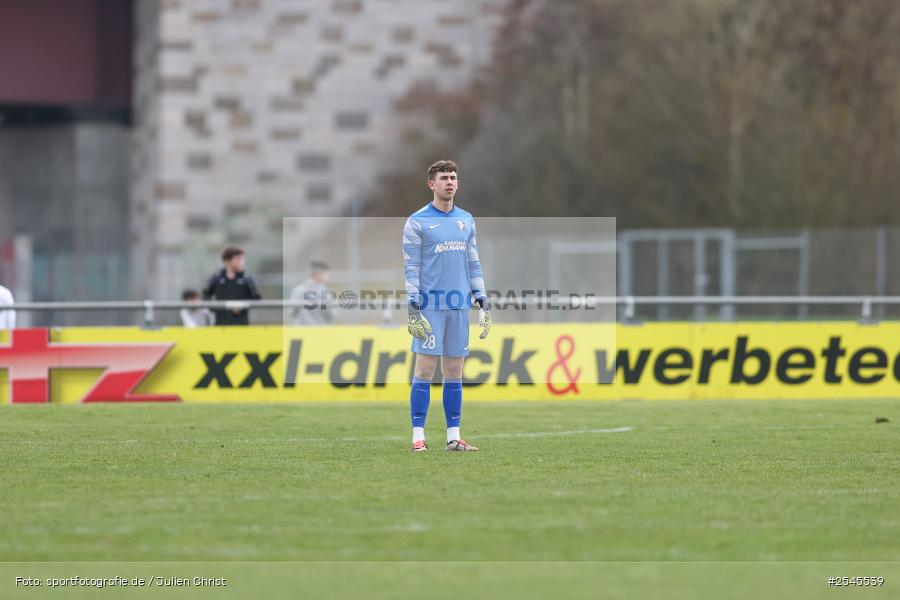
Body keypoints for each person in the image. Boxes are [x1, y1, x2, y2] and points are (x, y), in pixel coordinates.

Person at [403, 160, 491, 452]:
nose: (450, 182)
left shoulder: (466, 219)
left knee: (454, 371)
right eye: (444, 178)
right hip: (429, 307)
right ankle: (418, 437)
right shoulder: (417, 221)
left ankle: (453, 437)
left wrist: (481, 297)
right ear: (432, 184)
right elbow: (411, 266)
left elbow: (473, 261)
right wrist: (413, 305)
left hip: (458, 306)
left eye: (453, 177)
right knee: (425, 370)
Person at [202, 246, 262, 325]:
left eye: (242, 259)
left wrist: (242, 306)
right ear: (227, 261)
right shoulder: (217, 277)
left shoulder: (246, 278)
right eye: (238, 259)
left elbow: (256, 298)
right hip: (221, 324)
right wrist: (213, 307)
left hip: (241, 324)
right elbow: (206, 294)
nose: (242, 262)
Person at [289, 261, 334, 325]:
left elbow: (292, 312)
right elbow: (331, 314)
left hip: (301, 331)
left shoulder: (298, 290)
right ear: (319, 274)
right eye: (326, 274)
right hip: (321, 332)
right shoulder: (325, 292)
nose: (328, 276)